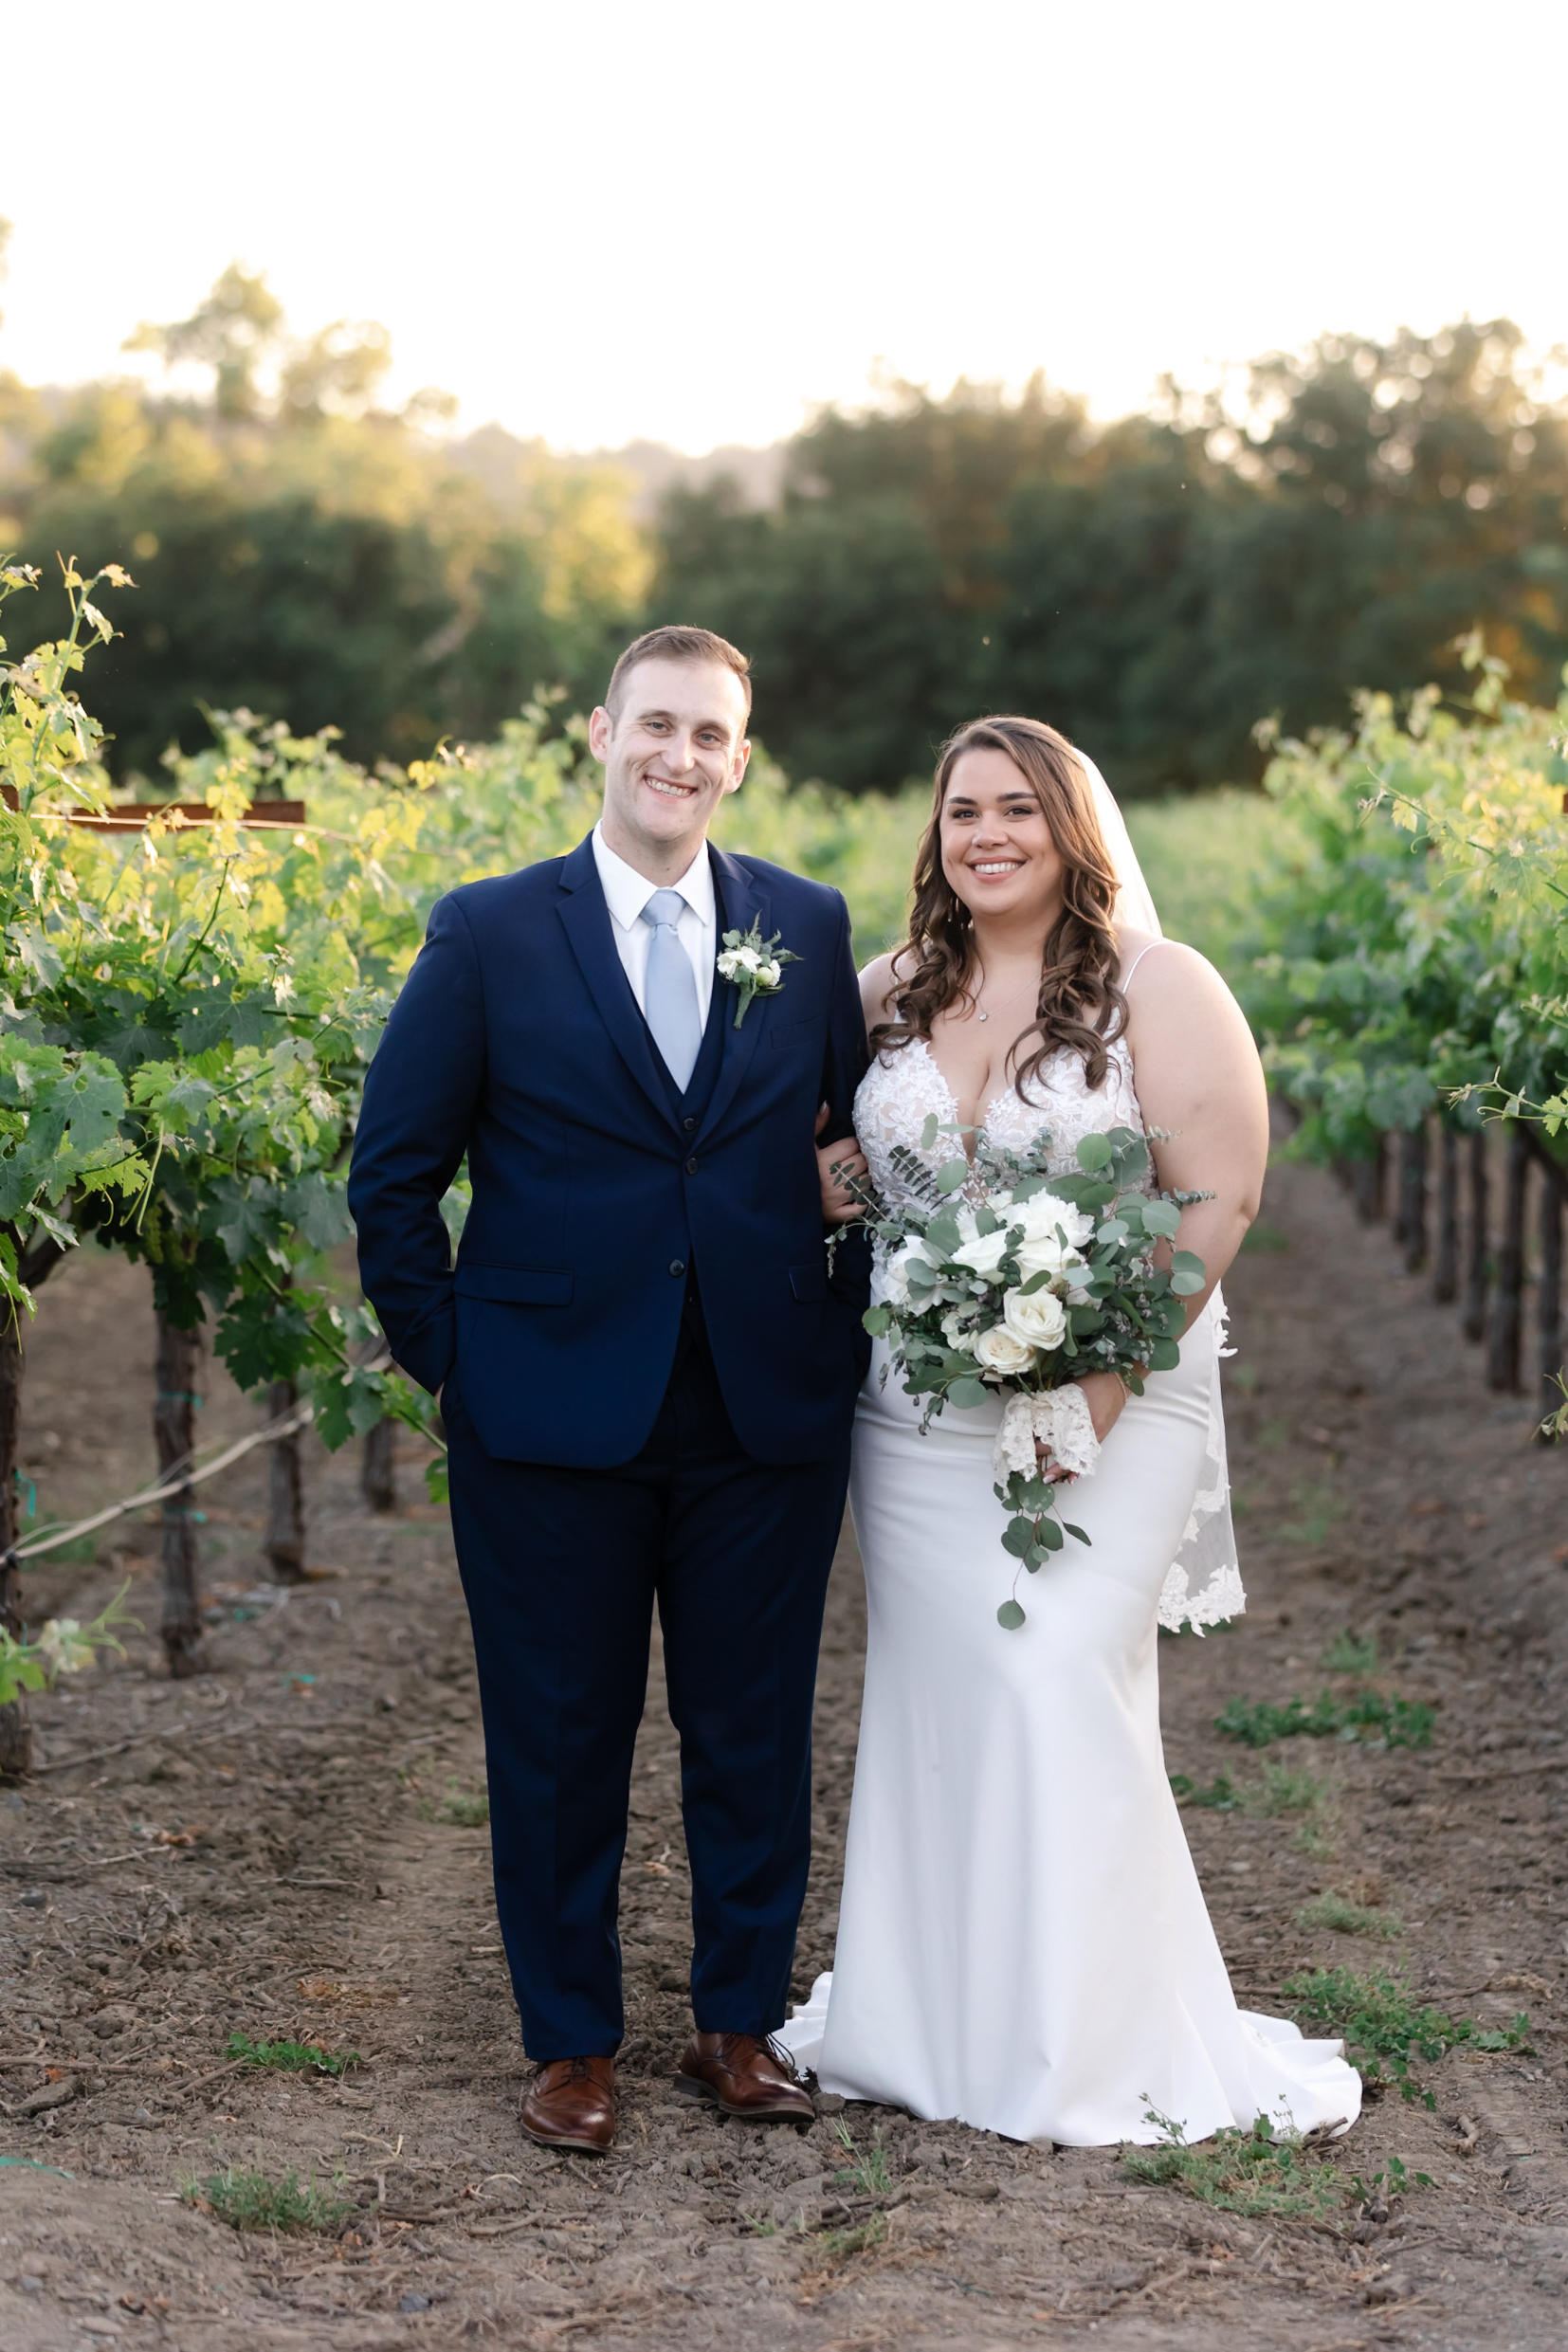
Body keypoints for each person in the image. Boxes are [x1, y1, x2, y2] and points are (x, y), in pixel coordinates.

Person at [792, 716, 1362, 2147]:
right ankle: (940, 2023)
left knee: (1052, 1672)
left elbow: (1213, 1196)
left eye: (1015, 812)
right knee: (946, 1695)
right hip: (916, 1413)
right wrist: (826, 1180)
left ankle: (1100, 2041)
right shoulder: (885, 992)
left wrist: (1089, 1386)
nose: (983, 835)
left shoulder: (1158, 987)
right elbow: (793, 1149)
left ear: (1069, 830)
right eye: (960, 811)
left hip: (1123, 1401)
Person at [348, 625, 870, 2155]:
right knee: (560, 1732)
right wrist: (460, 1365)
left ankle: (738, 2020)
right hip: (544, 1411)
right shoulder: (493, 929)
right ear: (598, 730)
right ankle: (571, 2040)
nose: (679, 756)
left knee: (754, 1728)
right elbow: (393, 1178)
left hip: (762, 1406)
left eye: (711, 735)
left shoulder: (807, 922)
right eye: (656, 724)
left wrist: (827, 1304)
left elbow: (844, 1147)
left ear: (742, 757)